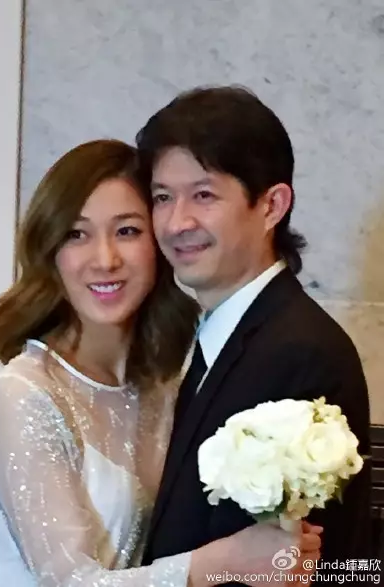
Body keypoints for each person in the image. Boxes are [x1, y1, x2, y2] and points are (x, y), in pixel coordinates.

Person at [0, 139, 320, 587]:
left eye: (127, 231)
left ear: (159, 242)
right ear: (50, 250)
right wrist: (221, 562)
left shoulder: (171, 380)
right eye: (77, 234)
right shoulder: (25, 394)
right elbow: (69, 582)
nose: (105, 260)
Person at [136, 86, 372, 585]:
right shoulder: (210, 335)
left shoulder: (301, 354)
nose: (176, 222)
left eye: (204, 195)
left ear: (271, 205)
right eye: (162, 197)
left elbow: (318, 568)